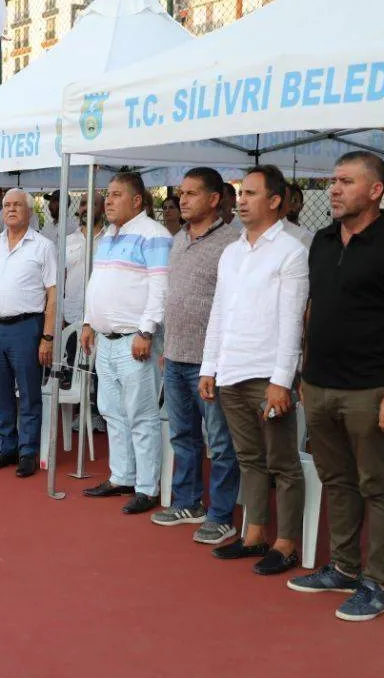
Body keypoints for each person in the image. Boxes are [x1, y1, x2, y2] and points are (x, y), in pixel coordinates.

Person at [288, 152, 384, 622]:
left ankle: (378, 584)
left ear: (375, 191)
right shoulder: (323, 241)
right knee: (337, 480)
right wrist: (306, 372)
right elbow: (314, 310)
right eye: (333, 180)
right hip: (320, 385)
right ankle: (344, 568)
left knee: (379, 487)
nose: (333, 189)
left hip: (371, 390)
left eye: (346, 182)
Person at [199, 164, 308, 575]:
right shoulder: (232, 252)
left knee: (283, 463)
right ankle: (254, 535)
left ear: (275, 201)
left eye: (251, 193)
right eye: (240, 193)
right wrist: (209, 367)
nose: (241, 200)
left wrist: (282, 380)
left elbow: (292, 321)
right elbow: (219, 313)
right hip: (231, 371)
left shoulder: (292, 251)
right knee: (249, 459)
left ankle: (286, 544)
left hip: (267, 376)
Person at [149, 168, 240, 545]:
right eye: (181, 193)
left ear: (214, 199)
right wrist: (169, 348)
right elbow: (174, 297)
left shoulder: (232, 243)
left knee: (220, 442)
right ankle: (188, 503)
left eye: (191, 194)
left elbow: (231, 306)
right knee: (183, 435)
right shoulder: (178, 240)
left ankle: (221, 515)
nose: (182, 200)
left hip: (210, 362)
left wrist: (216, 361)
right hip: (176, 356)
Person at [80, 172, 171, 514]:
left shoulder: (154, 235)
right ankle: (122, 476)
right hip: (105, 340)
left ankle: (147, 487)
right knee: (112, 411)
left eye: (116, 194)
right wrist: (88, 321)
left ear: (137, 200)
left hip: (135, 339)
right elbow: (98, 282)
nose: (108, 200)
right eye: (108, 194)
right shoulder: (108, 235)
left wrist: (146, 332)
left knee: (141, 415)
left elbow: (161, 288)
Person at [0, 188, 57, 478]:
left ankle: (28, 452)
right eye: (7, 205)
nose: (10, 209)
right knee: (0, 393)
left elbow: (52, 295)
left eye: (17, 205)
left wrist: (47, 337)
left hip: (26, 328)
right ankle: (6, 448)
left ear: (29, 211)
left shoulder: (43, 246)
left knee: (29, 393)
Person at [65, 192, 107, 434]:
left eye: (92, 204)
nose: (85, 208)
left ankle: (100, 413)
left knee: (100, 369)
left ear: (102, 209)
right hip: (73, 314)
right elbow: (62, 276)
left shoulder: (110, 239)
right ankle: (81, 411)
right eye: (82, 204)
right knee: (76, 366)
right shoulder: (68, 241)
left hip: (101, 316)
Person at [280, 183, 314, 248]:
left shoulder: (307, 236)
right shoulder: (270, 232)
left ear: (301, 207)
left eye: (294, 201)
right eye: (287, 200)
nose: (290, 204)